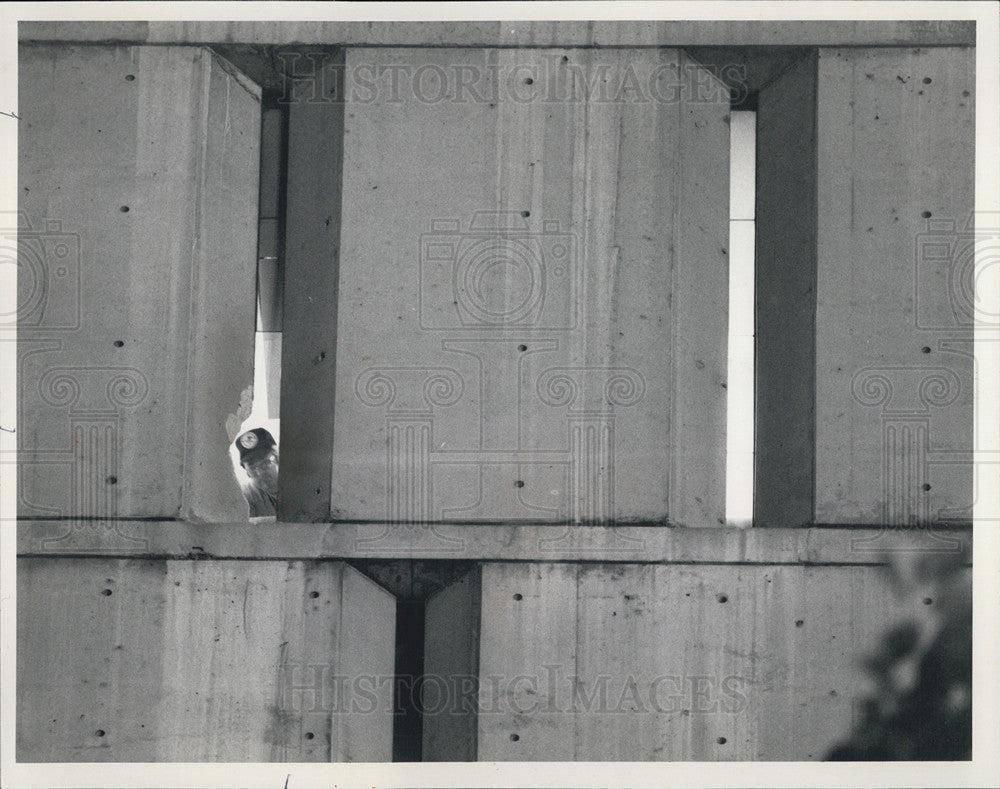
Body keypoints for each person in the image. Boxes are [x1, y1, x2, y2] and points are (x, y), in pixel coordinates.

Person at [234, 427, 279, 519]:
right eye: (252, 468)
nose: (260, 473)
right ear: (247, 473)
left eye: (265, 463)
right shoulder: (245, 497)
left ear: (278, 459)